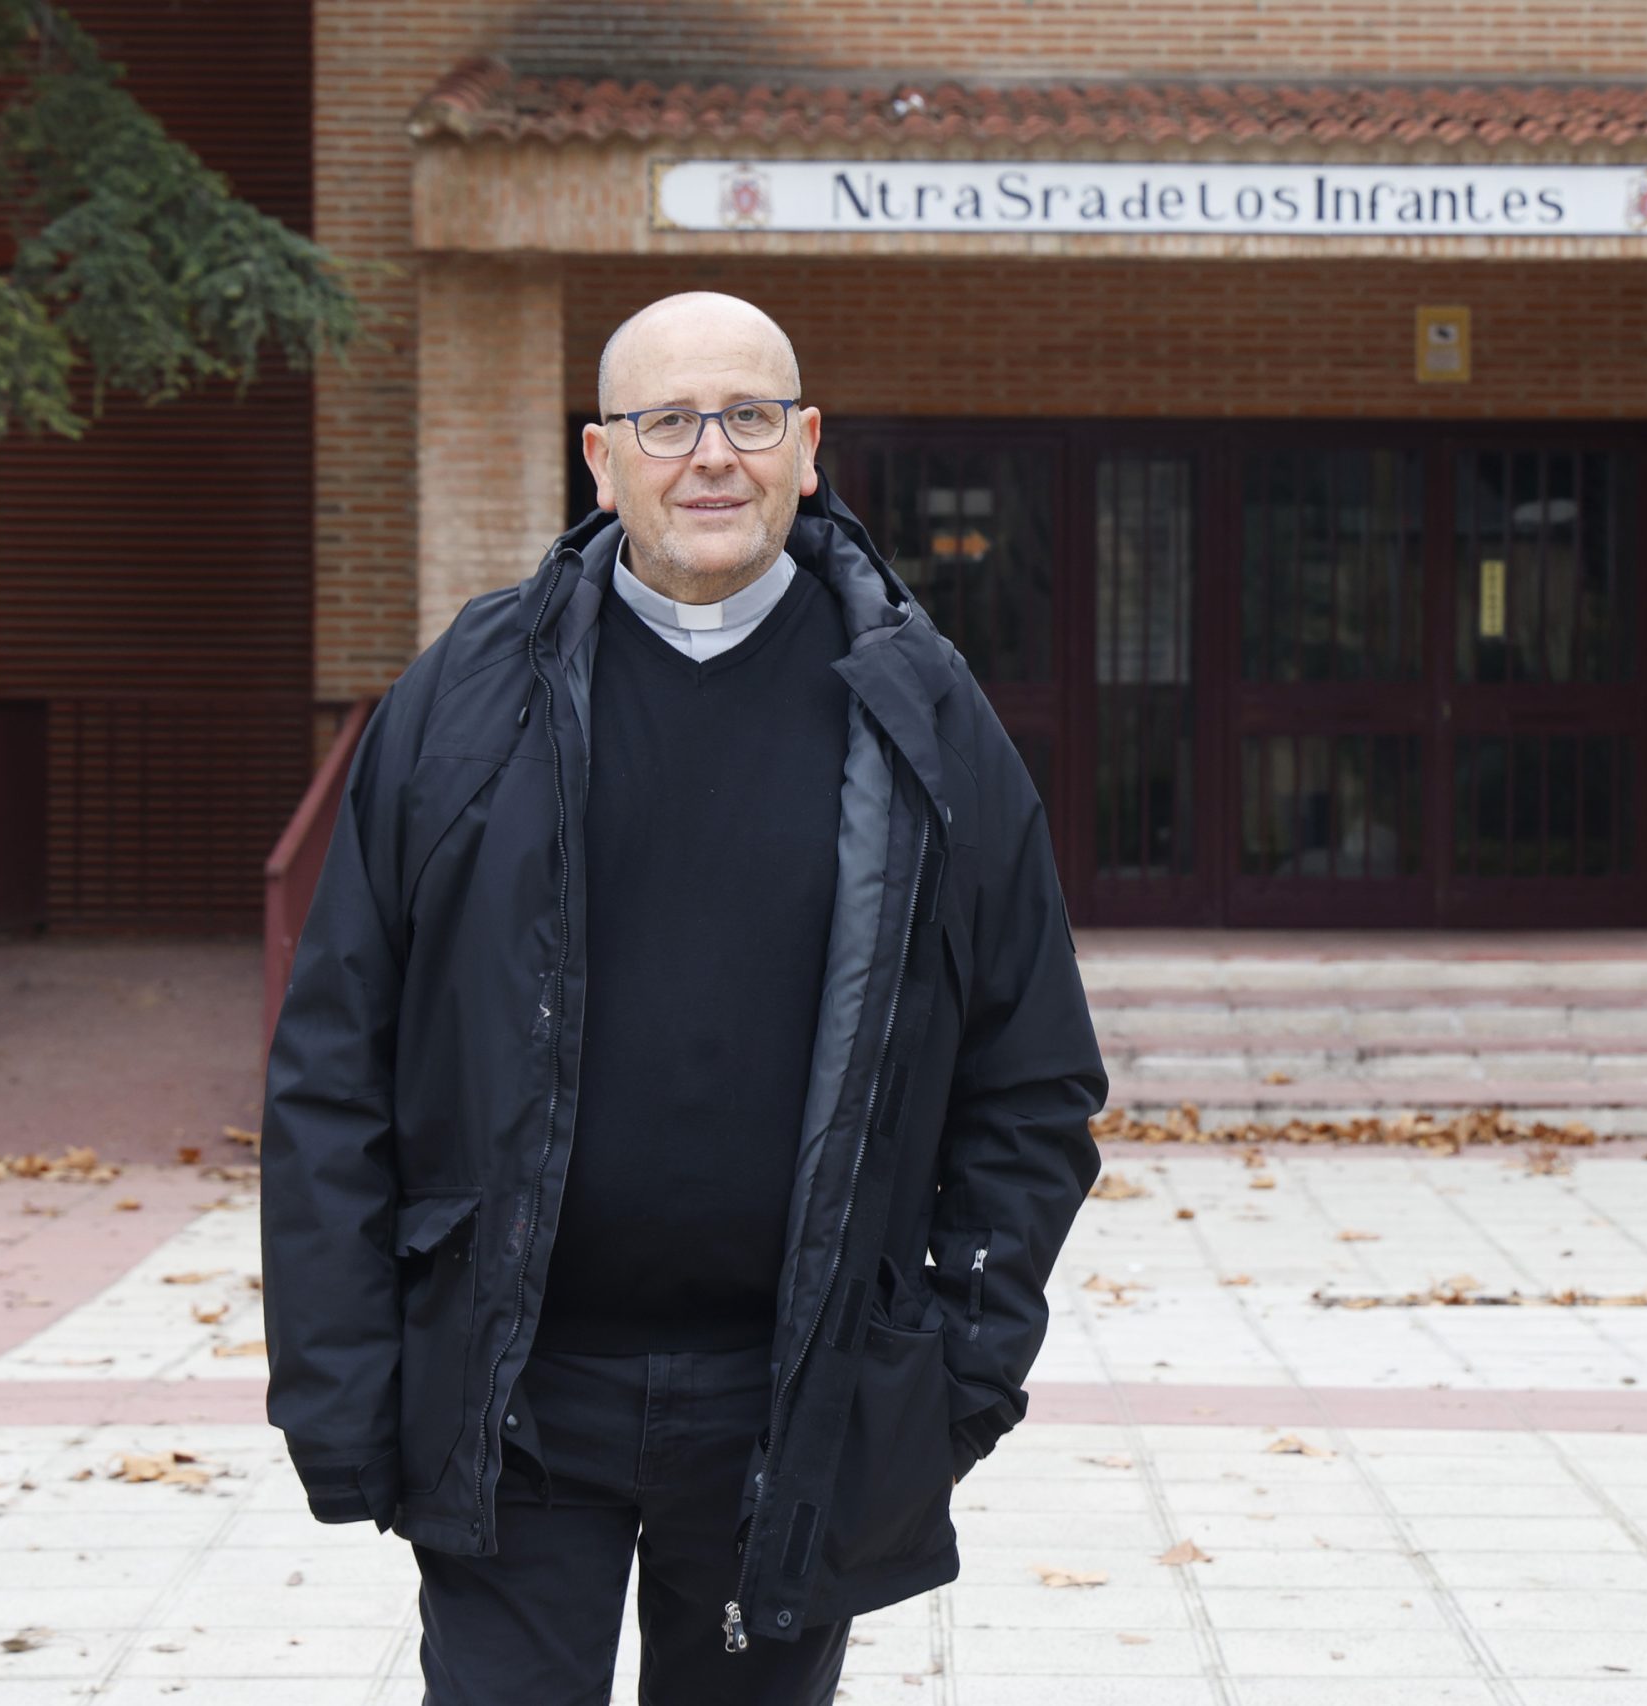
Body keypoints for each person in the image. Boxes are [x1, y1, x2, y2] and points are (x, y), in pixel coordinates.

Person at [259, 291, 1106, 1706]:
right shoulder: (462, 703)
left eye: (750, 417)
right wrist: (340, 1388)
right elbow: (334, 1063)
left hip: (792, 1405)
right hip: (511, 1397)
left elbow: (1031, 1078)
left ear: (807, 446)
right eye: (667, 421)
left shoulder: (924, 712)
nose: (712, 454)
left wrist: (958, 1368)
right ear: (602, 460)